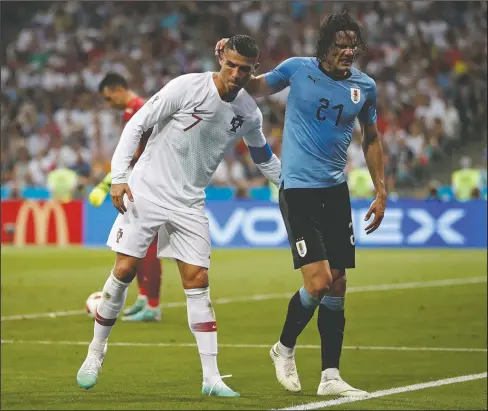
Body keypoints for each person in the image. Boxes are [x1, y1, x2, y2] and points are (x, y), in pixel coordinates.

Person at [76, 35, 281, 397]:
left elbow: (262, 155)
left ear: (254, 70)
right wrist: (120, 177)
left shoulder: (249, 111)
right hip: (148, 190)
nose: (235, 73)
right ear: (222, 59)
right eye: (231, 64)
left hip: (190, 202)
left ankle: (211, 377)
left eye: (244, 68)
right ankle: (96, 352)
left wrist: (291, 184)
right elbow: (136, 124)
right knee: (124, 270)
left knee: (198, 281)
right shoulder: (187, 87)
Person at [216, 10, 386, 397]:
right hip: (298, 190)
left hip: (335, 191)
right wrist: (227, 61)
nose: (348, 51)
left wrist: (381, 190)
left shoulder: (364, 86)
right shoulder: (297, 69)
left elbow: (372, 138)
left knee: (338, 283)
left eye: (352, 45)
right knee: (320, 280)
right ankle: (283, 348)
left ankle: (330, 376)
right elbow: (255, 86)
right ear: (325, 46)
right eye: (340, 45)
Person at [90, 73, 163, 322]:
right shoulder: (130, 112)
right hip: (140, 179)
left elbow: (141, 150)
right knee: (136, 241)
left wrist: (112, 177)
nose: (109, 104)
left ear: (119, 89)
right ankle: (144, 298)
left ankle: (153, 305)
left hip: (150, 181)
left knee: (147, 242)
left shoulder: (140, 109)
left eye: (109, 98)